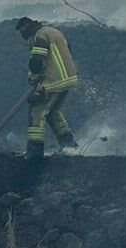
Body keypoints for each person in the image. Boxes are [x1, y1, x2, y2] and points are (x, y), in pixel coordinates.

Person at [14, 16, 81, 160]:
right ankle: (70, 146)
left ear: (27, 27)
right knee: (52, 112)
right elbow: (67, 50)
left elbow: (37, 61)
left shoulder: (40, 36)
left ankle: (34, 153)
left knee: (36, 110)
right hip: (69, 79)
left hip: (54, 82)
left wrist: (35, 77)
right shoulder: (53, 32)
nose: (23, 36)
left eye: (22, 31)